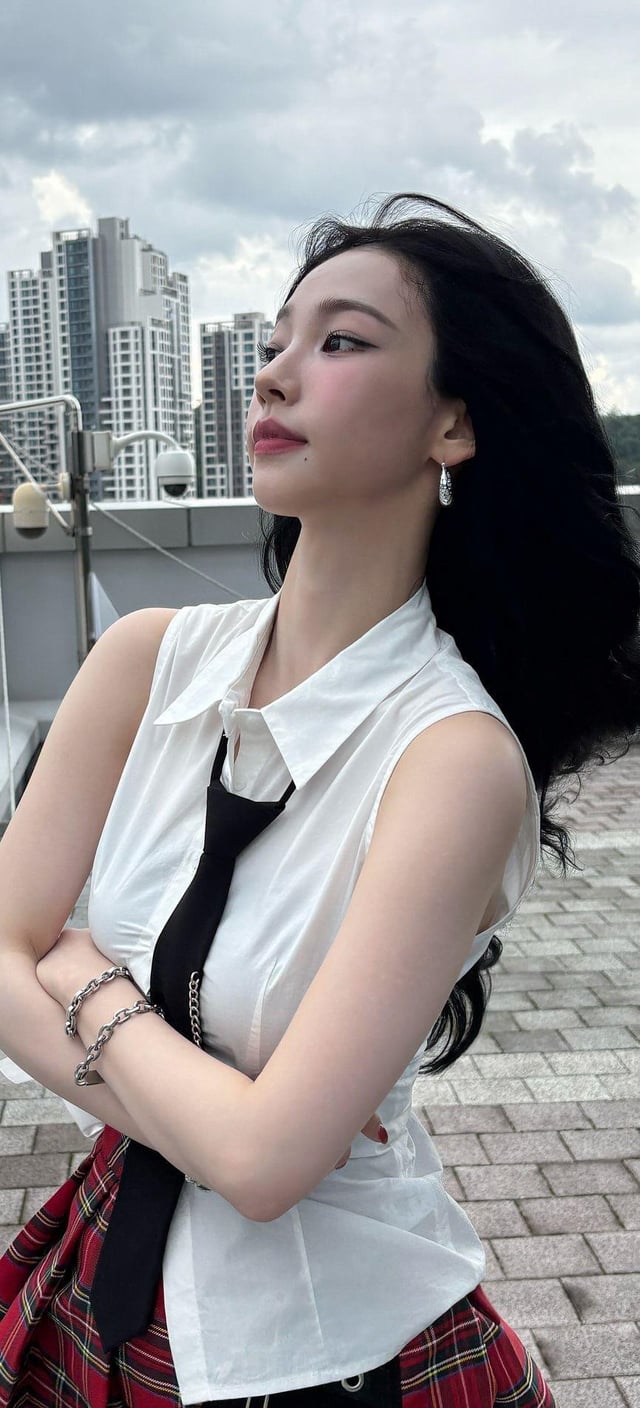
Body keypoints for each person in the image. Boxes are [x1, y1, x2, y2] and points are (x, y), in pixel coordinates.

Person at [0, 191, 638, 1407]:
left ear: (453, 423)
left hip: (332, 1349)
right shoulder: (143, 662)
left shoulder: (452, 758)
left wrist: (83, 982)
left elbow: (267, 1162)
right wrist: (208, 1108)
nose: (275, 374)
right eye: (276, 341)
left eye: (341, 340)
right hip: (95, 1273)